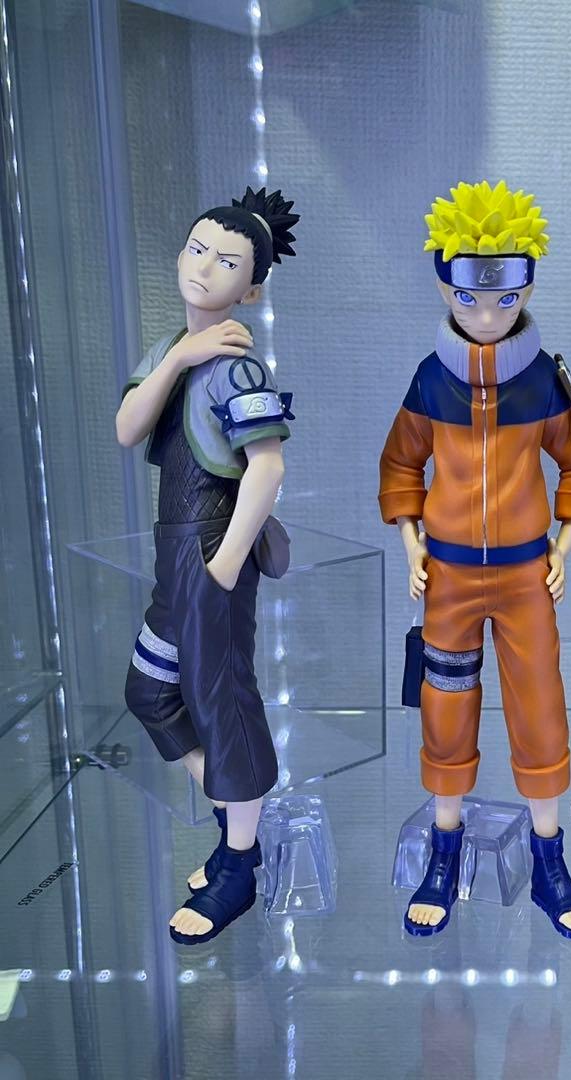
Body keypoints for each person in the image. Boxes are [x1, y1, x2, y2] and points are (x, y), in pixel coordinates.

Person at [379, 180, 571, 939]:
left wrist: (564, 545)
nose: (485, 317)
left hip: (525, 575)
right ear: (445, 289)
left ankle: (550, 860)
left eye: (503, 300)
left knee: (540, 706)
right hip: (446, 575)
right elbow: (401, 462)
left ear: (527, 287)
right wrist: (411, 540)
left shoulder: (543, 379)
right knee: (445, 708)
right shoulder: (430, 377)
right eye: (468, 299)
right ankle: (444, 853)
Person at [116, 186, 299, 945]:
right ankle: (238, 823)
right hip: (176, 552)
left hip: (212, 548)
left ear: (250, 289)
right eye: (196, 249)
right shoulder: (175, 351)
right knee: (150, 689)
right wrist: (180, 357)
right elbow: (128, 428)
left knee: (221, 702)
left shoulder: (239, 371)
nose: (203, 266)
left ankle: (239, 867)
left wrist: (223, 565)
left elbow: (267, 468)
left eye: (226, 261)